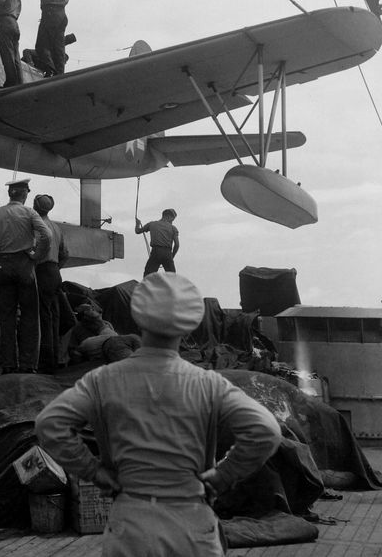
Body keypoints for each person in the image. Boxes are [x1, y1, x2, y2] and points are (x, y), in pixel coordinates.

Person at [35, 272, 282, 557]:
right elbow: (265, 430)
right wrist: (223, 476)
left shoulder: (102, 381)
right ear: (188, 324)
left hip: (131, 524)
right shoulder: (208, 384)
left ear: (138, 317)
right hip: (192, 523)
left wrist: (95, 472)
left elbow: (50, 424)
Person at [0, 178, 51, 374]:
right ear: (25, 194)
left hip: (3, 265)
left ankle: (8, 364)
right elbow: (46, 235)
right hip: (24, 265)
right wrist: (36, 255)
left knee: (6, 318)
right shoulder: (29, 212)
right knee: (30, 316)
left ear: (10, 194)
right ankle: (28, 365)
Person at [33, 194, 68, 373]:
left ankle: (45, 363)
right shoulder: (56, 227)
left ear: (35, 206)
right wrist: (55, 268)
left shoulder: (36, 226)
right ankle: (54, 360)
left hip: (42, 271)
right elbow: (65, 254)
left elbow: (29, 250)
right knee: (54, 318)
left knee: (43, 318)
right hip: (54, 272)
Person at [23, 0, 69, 75]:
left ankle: (50, 70)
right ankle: (60, 74)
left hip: (50, 12)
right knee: (58, 47)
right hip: (62, 14)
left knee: (41, 46)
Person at [136, 208, 180, 276]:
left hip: (156, 252)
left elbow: (138, 231)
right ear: (168, 216)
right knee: (172, 277)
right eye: (172, 219)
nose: (172, 221)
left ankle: (147, 286)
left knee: (148, 276)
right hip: (167, 253)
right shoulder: (173, 228)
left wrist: (137, 224)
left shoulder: (152, 224)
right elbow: (177, 245)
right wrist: (172, 256)